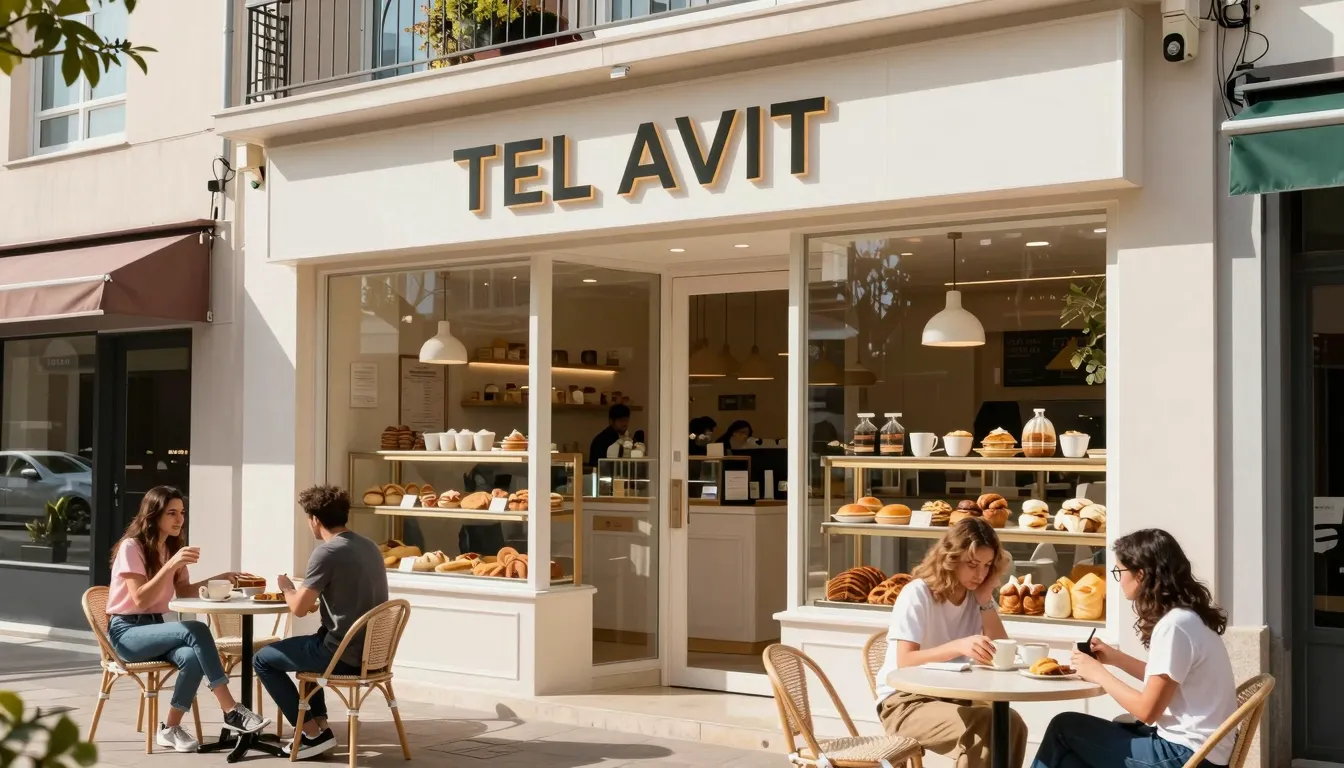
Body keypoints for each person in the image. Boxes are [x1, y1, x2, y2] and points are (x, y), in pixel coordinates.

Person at [1032, 529, 1236, 768]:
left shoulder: (1175, 626)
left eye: (1119, 571)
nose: (1118, 579)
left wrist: (1098, 673)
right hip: (1203, 752)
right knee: (1069, 761)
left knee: (1063, 727)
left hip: (1186, 756)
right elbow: (1167, 680)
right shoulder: (1188, 618)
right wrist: (1115, 658)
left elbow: (1147, 710)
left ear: (1140, 574)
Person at [105, 486, 269, 753]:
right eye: (171, 513)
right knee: (195, 628)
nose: (179, 519)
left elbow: (185, 592)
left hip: (155, 628)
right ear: (153, 515)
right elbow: (140, 600)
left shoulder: (171, 549)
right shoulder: (131, 547)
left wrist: (221, 578)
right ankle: (231, 709)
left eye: (182, 513)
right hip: (126, 633)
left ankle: (169, 728)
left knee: (192, 658)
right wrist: (171, 565)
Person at [875, 518, 1028, 768]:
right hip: (905, 703)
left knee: (1012, 725)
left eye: (987, 566)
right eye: (972, 564)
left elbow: (1003, 648)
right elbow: (905, 661)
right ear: (952, 557)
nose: (980, 574)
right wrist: (959, 646)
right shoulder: (917, 593)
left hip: (953, 697)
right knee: (985, 726)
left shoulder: (975, 597)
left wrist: (985, 600)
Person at [254, 485, 389, 760]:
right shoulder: (369, 546)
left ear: (315, 519)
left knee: (263, 659)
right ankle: (322, 724)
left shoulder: (327, 552)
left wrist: (286, 587)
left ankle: (312, 734)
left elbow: (299, 609)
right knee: (304, 648)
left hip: (343, 654)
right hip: (372, 653)